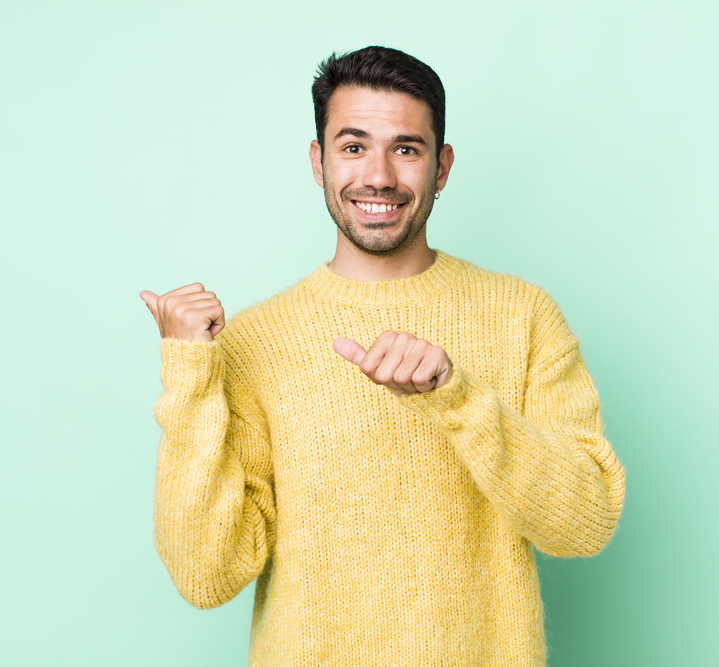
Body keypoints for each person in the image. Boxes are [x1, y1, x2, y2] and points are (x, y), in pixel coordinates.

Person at [141, 46, 625, 667]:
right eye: (352, 146)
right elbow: (206, 575)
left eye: (406, 148)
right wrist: (189, 376)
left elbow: (583, 524)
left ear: (442, 167)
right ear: (318, 161)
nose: (379, 176)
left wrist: (459, 397)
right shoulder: (256, 341)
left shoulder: (523, 316)